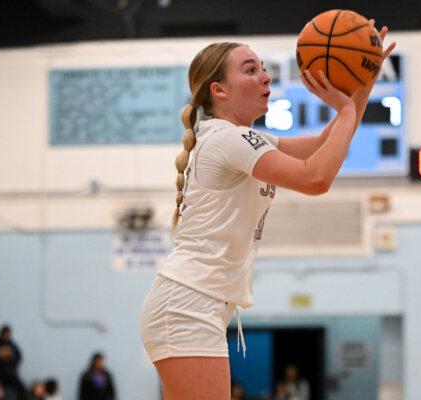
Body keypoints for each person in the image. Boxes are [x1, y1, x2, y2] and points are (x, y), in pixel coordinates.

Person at [139, 20, 396, 400]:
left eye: (263, 68)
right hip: (187, 305)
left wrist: (362, 83)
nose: (265, 77)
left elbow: (324, 144)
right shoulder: (229, 138)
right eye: (250, 69)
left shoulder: (240, 137)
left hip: (193, 304)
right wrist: (344, 110)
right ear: (218, 90)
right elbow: (316, 179)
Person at [0, 325, 26, 400]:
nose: (7, 335)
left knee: (22, 390)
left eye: (8, 333)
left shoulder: (13, 345)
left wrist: (11, 362)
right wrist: (3, 361)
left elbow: (19, 357)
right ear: (1, 334)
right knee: (0, 394)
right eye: (5, 333)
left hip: (11, 374)